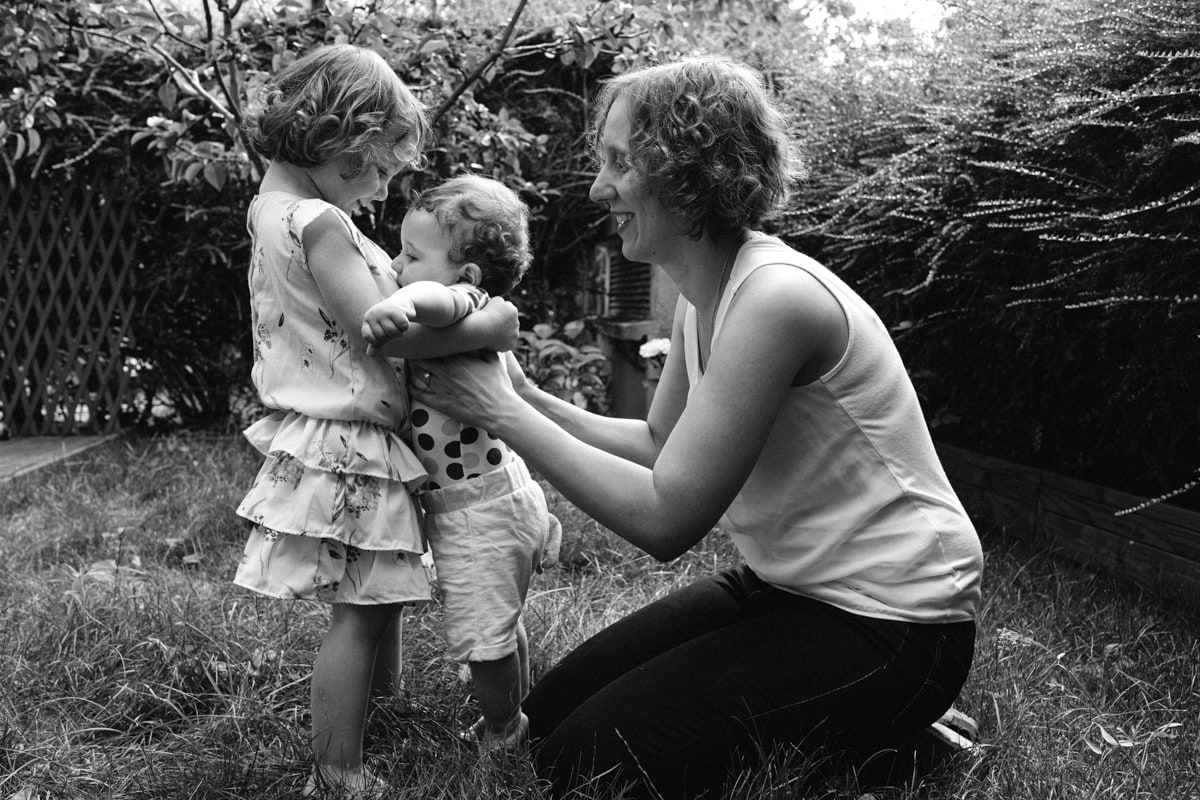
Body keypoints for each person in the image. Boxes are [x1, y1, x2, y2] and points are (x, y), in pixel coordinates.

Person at [409, 55, 985, 799]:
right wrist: (527, 394)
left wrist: (499, 410)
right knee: (547, 717)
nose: (598, 188)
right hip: (793, 588)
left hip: (897, 622)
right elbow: (657, 445)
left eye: (620, 163)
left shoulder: (776, 298)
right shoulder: (701, 296)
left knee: (587, 766)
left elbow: (666, 517)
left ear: (685, 172)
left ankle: (887, 723)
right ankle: (861, 710)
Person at [231, 45, 518, 796]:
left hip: (337, 433)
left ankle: (375, 713)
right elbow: (378, 331)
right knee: (360, 613)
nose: (384, 191)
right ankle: (339, 768)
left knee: (380, 591)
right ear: (341, 140)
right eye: (381, 168)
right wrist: (492, 326)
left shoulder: (271, 208)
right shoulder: (320, 220)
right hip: (350, 439)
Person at [360, 174, 562, 753]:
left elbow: (436, 298)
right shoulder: (464, 322)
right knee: (505, 622)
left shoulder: (460, 307)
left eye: (412, 255)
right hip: (501, 495)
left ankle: (503, 733)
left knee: (484, 641)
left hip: (479, 512)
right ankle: (514, 716)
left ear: (466, 275)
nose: (397, 265)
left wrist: (400, 303)